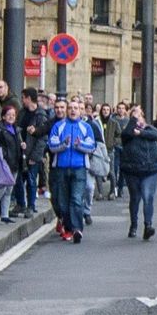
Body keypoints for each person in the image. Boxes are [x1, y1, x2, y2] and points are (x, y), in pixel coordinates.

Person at [46, 95, 97, 243]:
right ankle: (68, 228)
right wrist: (64, 144)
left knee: (75, 199)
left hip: (79, 168)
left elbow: (91, 146)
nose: (73, 110)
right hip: (61, 168)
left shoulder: (86, 127)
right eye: (70, 108)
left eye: (75, 108)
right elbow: (52, 145)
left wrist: (79, 145)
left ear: (80, 111)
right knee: (62, 201)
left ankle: (76, 229)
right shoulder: (59, 126)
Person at [120, 104, 157, 239]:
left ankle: (148, 225)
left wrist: (141, 132)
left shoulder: (150, 129)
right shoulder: (128, 132)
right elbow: (125, 135)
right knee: (135, 198)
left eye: (139, 114)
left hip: (150, 170)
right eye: (134, 115)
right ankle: (133, 225)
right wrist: (133, 120)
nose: (138, 117)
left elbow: (155, 135)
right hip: (132, 170)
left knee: (148, 197)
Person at [13, 88, 48, 215]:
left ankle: (31, 205)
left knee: (31, 181)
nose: (22, 100)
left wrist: (35, 156)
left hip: (32, 153)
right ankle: (20, 203)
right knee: (18, 180)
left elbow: (43, 138)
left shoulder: (40, 115)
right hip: (21, 152)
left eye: (23, 98)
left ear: (28, 98)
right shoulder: (22, 113)